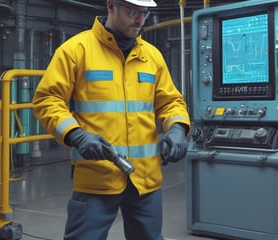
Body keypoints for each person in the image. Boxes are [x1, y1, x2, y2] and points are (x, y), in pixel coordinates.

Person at [32, 0, 191, 239]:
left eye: (145, 13)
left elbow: (170, 102)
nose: (139, 19)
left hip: (144, 180)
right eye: (133, 11)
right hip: (97, 176)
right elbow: (47, 99)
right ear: (111, 5)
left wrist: (178, 129)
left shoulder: (152, 57)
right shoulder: (76, 50)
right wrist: (77, 135)